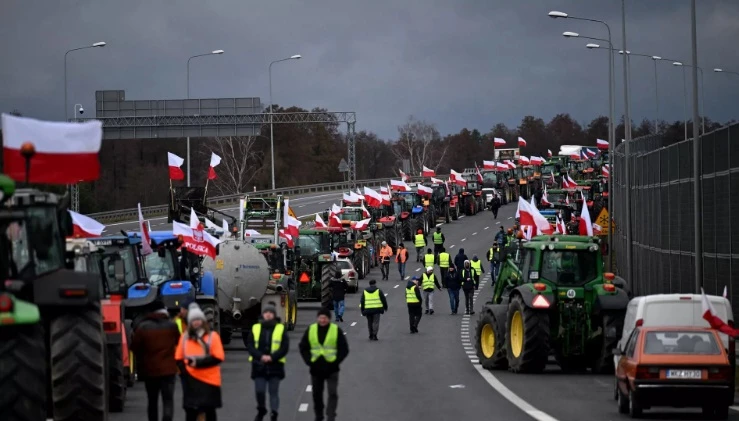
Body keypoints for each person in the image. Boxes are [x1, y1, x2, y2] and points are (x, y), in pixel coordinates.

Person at [131, 299, 181, 421]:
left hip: (150, 371)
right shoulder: (172, 326)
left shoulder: (142, 327)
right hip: (169, 370)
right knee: (168, 400)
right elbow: (179, 343)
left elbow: (134, 347)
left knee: (152, 401)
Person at [175, 303, 225, 421]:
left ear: (203, 321)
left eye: (198, 319)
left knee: (209, 411)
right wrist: (185, 372)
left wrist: (198, 363)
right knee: (191, 411)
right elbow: (178, 357)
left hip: (209, 380)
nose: (196, 322)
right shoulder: (185, 338)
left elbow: (218, 357)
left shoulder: (213, 337)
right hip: (191, 380)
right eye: (193, 320)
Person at [299, 308, 349, 421]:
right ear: (317, 318)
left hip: (332, 369)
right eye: (320, 318)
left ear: (329, 319)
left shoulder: (336, 330)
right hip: (316, 369)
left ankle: (331, 415)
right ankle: (319, 415)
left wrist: (336, 361)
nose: (322, 320)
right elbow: (303, 347)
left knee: (332, 392)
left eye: (325, 318)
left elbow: (344, 349)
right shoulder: (311, 330)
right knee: (317, 394)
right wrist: (309, 361)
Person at [246, 304, 289, 421]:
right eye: (266, 313)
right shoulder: (255, 328)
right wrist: (260, 357)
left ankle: (274, 413)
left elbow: (284, 347)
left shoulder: (280, 328)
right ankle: (261, 409)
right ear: (263, 315)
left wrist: (272, 357)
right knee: (259, 391)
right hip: (259, 366)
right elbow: (250, 346)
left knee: (273, 392)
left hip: (275, 366)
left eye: (271, 313)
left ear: (274, 315)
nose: (268, 314)